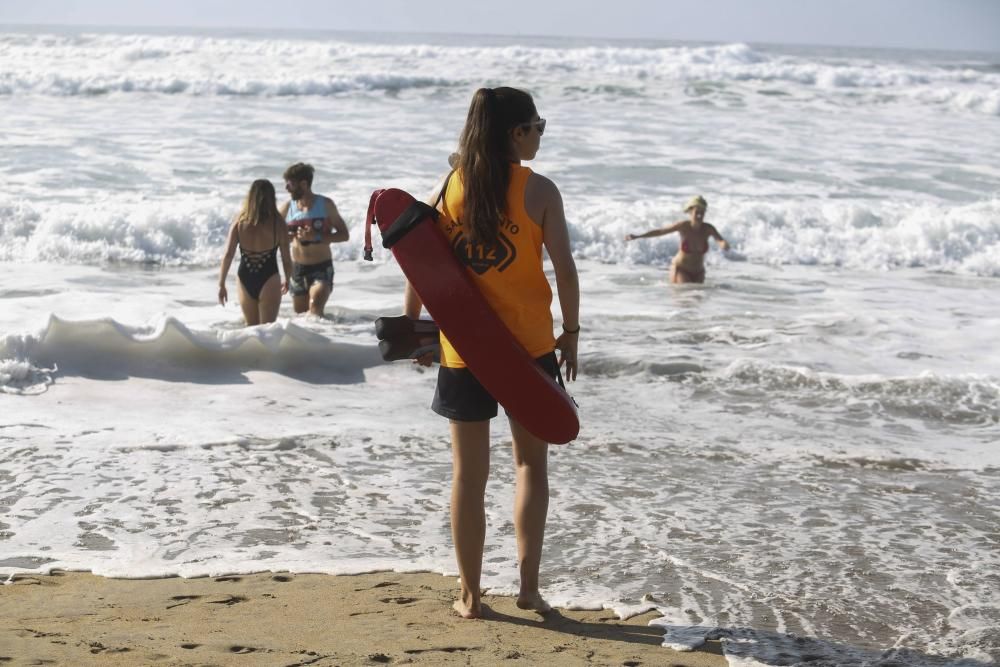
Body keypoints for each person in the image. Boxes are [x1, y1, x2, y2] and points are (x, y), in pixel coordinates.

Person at [403, 87, 580, 619]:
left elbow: (422, 260)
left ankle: (471, 595)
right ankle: (528, 589)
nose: (540, 135)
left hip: (467, 352)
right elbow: (565, 268)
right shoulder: (540, 191)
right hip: (528, 349)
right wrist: (570, 332)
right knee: (530, 467)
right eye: (537, 126)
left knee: (467, 475)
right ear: (515, 133)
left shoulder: (451, 186)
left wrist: (417, 330)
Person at [218, 179, 293, 325]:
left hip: (245, 278)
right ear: (272, 198)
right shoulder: (278, 224)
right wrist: (288, 279)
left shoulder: (239, 222)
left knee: (251, 331)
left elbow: (228, 255)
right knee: (267, 331)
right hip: (269, 279)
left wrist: (221, 284)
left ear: (250, 197)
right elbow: (286, 259)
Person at [279, 163, 350, 317]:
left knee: (315, 308)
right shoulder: (287, 208)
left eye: (290, 184)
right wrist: (286, 237)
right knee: (301, 317)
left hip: (322, 268)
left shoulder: (325, 205)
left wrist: (316, 236)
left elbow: (344, 234)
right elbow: (273, 235)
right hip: (297, 270)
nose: (286, 188)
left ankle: (333, 335)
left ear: (304, 184)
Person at [625, 195, 730, 283]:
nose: (699, 215)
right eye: (697, 212)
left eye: (702, 213)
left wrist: (724, 244)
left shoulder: (708, 229)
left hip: (699, 272)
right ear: (690, 211)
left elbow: (720, 240)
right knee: (686, 298)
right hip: (681, 269)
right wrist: (638, 236)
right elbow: (661, 231)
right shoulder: (683, 226)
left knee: (698, 302)